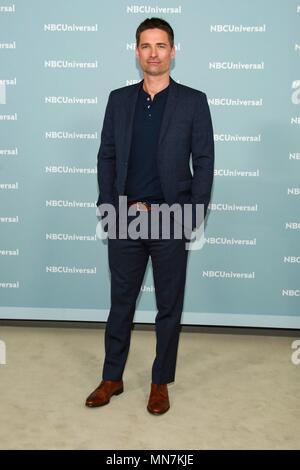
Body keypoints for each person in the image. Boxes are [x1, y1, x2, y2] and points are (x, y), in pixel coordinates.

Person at [85, 17, 214, 415]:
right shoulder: (118, 100)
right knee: (120, 302)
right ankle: (112, 377)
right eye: (146, 46)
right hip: (126, 218)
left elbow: (204, 163)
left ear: (173, 52)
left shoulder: (193, 101)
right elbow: (106, 157)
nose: (153, 53)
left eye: (161, 46)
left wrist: (189, 218)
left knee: (168, 308)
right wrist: (109, 209)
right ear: (136, 52)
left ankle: (160, 383)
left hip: (170, 218)